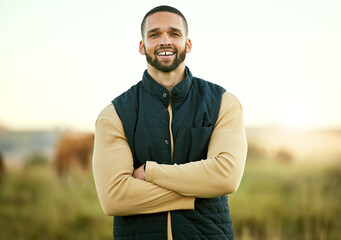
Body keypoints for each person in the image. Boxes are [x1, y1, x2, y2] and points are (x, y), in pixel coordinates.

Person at [92, 5, 247, 240]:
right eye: (154, 34)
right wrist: (196, 193)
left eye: (174, 33)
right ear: (142, 46)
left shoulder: (224, 103)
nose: (165, 41)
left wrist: (149, 171)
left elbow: (226, 176)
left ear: (188, 44)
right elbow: (114, 197)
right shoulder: (114, 114)